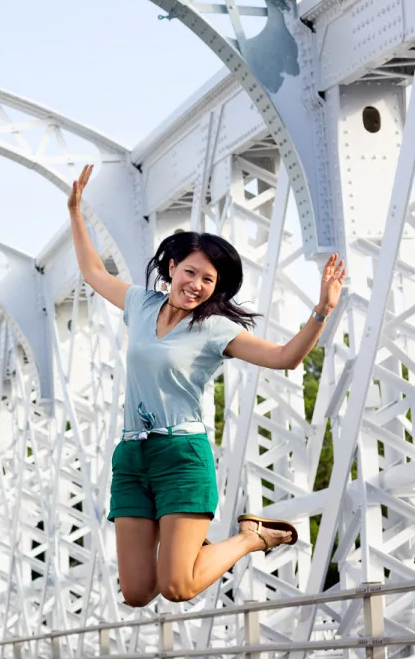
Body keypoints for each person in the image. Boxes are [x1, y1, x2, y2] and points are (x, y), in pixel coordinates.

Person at [67, 163, 346, 606]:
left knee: (177, 587)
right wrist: (76, 214)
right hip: (132, 457)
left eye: (208, 280)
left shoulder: (215, 329)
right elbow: (94, 272)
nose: (195, 285)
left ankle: (250, 539)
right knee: (138, 592)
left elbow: (285, 358)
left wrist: (322, 310)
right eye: (190, 272)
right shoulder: (141, 304)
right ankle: (240, 539)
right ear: (173, 267)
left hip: (181, 457)